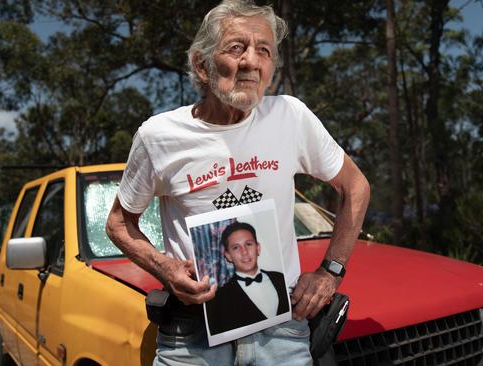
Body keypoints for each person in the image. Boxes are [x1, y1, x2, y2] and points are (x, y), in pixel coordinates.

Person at [105, 0, 370, 364]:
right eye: (236, 47)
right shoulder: (158, 136)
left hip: (282, 331)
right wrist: (164, 267)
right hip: (191, 337)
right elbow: (119, 223)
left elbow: (355, 186)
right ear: (202, 64)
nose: (251, 62)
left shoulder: (290, 117)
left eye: (264, 51)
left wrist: (330, 272)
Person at [205, 222, 289, 335]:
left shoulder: (281, 279)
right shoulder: (219, 298)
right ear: (228, 255)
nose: (244, 252)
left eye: (248, 244)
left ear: (258, 248)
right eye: (236, 247)